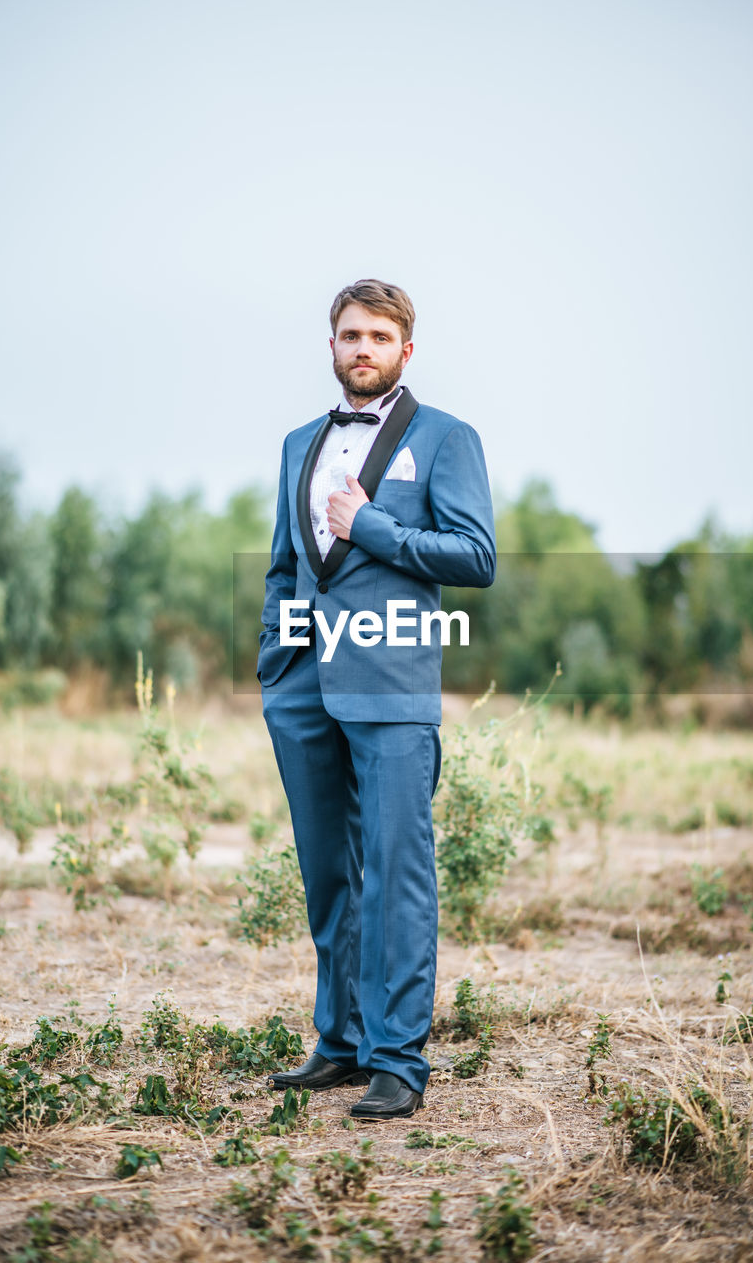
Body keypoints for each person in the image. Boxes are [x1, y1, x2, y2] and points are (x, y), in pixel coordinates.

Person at [258, 279, 496, 1120]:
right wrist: (274, 667)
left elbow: (475, 557)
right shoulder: (296, 444)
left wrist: (373, 528)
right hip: (304, 691)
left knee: (396, 874)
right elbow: (286, 565)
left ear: (405, 349)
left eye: (379, 336)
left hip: (395, 689)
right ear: (331, 346)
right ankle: (342, 1042)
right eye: (350, 335)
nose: (363, 349)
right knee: (329, 874)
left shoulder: (445, 439)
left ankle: (398, 1058)